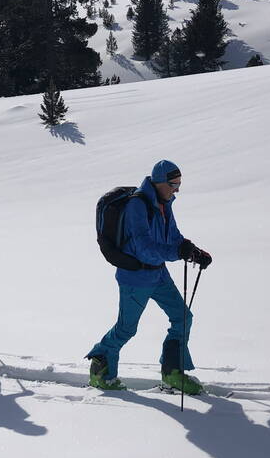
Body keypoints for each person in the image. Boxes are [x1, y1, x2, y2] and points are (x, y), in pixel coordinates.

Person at [86, 160, 212, 392]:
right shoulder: (137, 205)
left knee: (183, 317)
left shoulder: (165, 203)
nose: (177, 189)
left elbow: (172, 234)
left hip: (158, 274)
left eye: (179, 184)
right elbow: (143, 246)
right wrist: (176, 252)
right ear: (160, 182)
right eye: (174, 184)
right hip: (135, 278)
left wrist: (192, 251)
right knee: (126, 329)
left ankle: (173, 372)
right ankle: (101, 367)